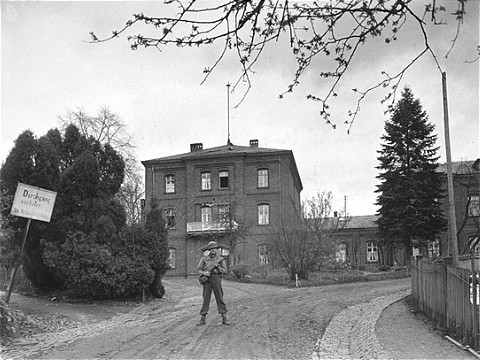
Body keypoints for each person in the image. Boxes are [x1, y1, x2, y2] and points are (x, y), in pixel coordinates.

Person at [196, 241, 229, 326]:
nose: (213, 250)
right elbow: (199, 269)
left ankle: (224, 317)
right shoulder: (204, 259)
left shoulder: (220, 259)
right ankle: (202, 318)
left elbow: (225, 271)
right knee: (206, 298)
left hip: (216, 279)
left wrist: (218, 269)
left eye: (214, 248)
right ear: (209, 250)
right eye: (211, 249)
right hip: (207, 280)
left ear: (217, 249)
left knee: (219, 297)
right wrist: (204, 273)